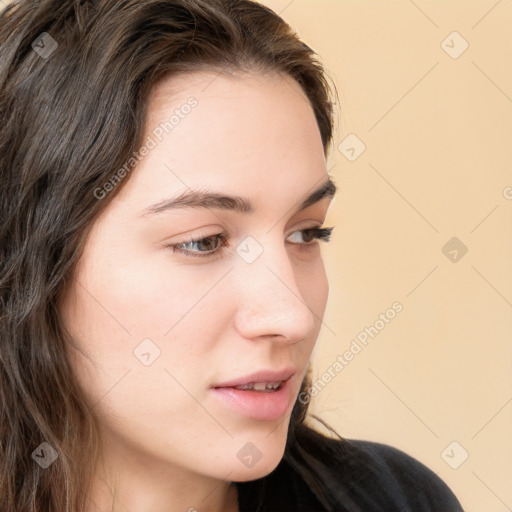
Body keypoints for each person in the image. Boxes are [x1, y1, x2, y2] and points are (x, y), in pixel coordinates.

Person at [0, 0, 465, 511]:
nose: (291, 316)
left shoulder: (393, 500)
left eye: (306, 233)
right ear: (27, 263)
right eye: (203, 241)